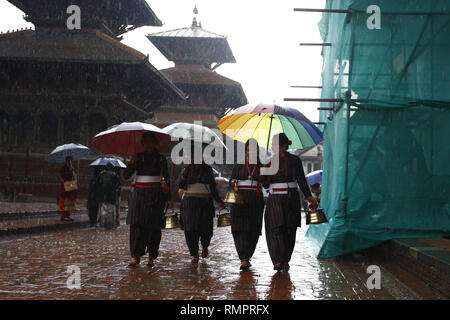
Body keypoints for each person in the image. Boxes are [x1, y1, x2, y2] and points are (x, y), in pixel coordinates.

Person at [261, 133, 318, 271]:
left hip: (291, 198)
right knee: (275, 228)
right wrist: (263, 175)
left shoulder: (295, 161)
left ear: (285, 146)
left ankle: (285, 259)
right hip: (274, 199)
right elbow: (265, 185)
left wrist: (309, 196)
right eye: (273, 146)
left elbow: (301, 180)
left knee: (289, 229)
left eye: (278, 145)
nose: (275, 148)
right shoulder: (268, 162)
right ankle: (277, 260)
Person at [123, 132, 171, 268]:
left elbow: (167, 179)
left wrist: (168, 198)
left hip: (156, 195)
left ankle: (151, 255)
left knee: (154, 227)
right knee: (136, 225)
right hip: (139, 195)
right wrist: (131, 164)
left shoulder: (161, 159)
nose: (148, 145)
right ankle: (136, 255)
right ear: (142, 144)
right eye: (146, 142)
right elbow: (126, 176)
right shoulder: (137, 158)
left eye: (151, 142)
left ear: (155, 144)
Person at [178, 144, 225, 264]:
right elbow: (180, 186)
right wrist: (184, 175)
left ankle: (205, 246)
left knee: (205, 229)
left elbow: (213, 188)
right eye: (192, 156)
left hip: (205, 203)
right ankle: (194, 254)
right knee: (190, 230)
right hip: (189, 203)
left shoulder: (208, 169)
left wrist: (219, 202)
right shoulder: (186, 169)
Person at [229, 139, 265, 271]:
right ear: (246, 151)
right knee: (238, 228)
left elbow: (266, 184)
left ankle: (248, 255)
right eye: (249, 150)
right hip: (240, 200)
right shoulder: (238, 165)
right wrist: (233, 182)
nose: (251, 152)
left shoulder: (262, 166)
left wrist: (263, 176)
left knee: (253, 229)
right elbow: (230, 182)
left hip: (255, 200)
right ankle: (243, 258)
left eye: (254, 150)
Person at [95, 162, 122, 229]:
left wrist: (97, 195)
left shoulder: (101, 174)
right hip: (111, 197)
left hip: (102, 196)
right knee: (111, 211)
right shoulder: (115, 175)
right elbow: (118, 187)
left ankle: (103, 224)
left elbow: (97, 185)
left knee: (103, 211)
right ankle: (110, 225)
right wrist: (118, 196)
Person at [59, 156, 76, 222]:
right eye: (69, 161)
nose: (70, 162)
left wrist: (73, 172)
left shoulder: (72, 168)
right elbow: (63, 176)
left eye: (71, 161)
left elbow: (73, 177)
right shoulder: (64, 168)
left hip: (70, 186)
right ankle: (63, 216)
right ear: (66, 161)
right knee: (64, 201)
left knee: (69, 201)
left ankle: (68, 215)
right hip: (64, 186)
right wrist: (69, 172)